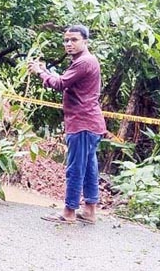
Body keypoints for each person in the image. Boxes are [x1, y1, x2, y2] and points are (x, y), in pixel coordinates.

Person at [28, 24, 106, 224]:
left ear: (85, 42)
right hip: (91, 123)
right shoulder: (85, 61)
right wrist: (47, 72)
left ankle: (69, 213)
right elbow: (65, 80)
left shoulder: (83, 62)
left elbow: (60, 84)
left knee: (75, 169)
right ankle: (89, 211)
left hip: (82, 123)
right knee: (89, 167)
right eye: (66, 40)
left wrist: (39, 72)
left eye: (74, 40)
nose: (69, 44)